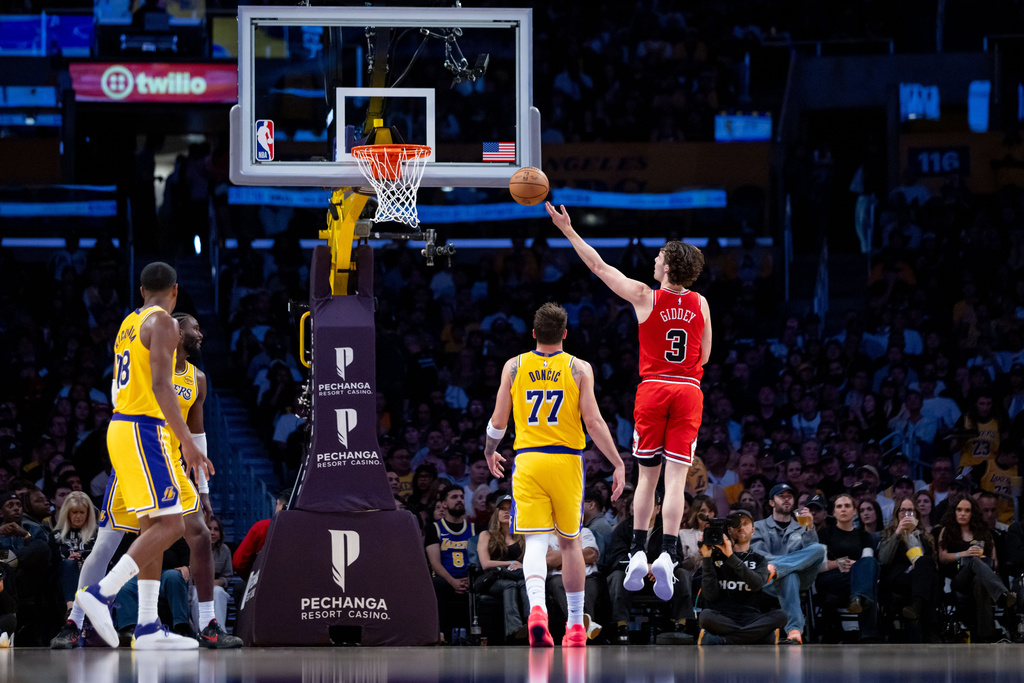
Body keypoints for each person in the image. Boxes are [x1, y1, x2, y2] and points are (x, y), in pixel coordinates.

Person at [546, 203, 710, 603]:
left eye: (658, 256)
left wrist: (569, 231)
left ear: (668, 265)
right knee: (675, 483)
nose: (654, 260)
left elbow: (600, 268)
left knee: (647, 479)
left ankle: (638, 549)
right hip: (688, 389)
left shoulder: (644, 296)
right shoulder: (700, 303)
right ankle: (668, 556)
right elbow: (704, 356)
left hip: (653, 388)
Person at [54, 311, 240, 649]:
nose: (201, 333)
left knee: (198, 532)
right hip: (137, 459)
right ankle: (75, 622)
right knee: (105, 546)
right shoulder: (149, 364)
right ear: (176, 330)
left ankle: (208, 623)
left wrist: (204, 490)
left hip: (170, 464)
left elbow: (198, 436)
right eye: (195, 327)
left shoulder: (197, 379)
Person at [73, 262, 215, 650]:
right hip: (144, 429)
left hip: (122, 427)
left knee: (153, 527)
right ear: (175, 291)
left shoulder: (128, 323)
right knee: (172, 526)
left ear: (141, 291)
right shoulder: (165, 323)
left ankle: (148, 625)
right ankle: (102, 593)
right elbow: (160, 386)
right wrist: (185, 440)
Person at [483, 302, 625, 647]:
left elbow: (498, 422)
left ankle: (537, 613)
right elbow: (593, 421)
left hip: (529, 460)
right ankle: (576, 626)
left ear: (533, 334)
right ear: (564, 333)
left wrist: (489, 451)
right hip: (566, 462)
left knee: (533, 541)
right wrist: (618, 462)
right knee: (570, 543)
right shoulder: (579, 368)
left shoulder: (514, 366)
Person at [605, 492, 694, 644]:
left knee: (683, 574)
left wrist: (659, 568)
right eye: (637, 504)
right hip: (631, 578)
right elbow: (616, 558)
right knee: (616, 576)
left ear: (658, 508)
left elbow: (677, 556)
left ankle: (682, 624)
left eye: (649, 505)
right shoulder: (623, 528)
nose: (642, 508)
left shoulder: (667, 528)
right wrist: (644, 568)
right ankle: (621, 625)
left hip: (660, 577)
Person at [696, 508, 787, 645]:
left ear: (753, 530)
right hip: (722, 617)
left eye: (745, 523)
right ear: (729, 530)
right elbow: (710, 595)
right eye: (736, 524)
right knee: (705, 617)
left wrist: (731, 557)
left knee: (782, 615)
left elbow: (756, 584)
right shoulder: (715, 557)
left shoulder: (759, 560)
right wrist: (707, 559)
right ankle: (758, 636)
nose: (741, 527)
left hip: (751, 617)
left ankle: (724, 640)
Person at [751, 483, 826, 644]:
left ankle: (777, 569)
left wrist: (810, 528)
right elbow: (759, 556)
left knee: (818, 548)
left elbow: (812, 556)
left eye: (790, 497)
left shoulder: (801, 527)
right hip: (767, 579)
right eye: (781, 496)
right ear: (771, 502)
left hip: (800, 579)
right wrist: (786, 568)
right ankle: (794, 631)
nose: (786, 500)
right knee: (788, 575)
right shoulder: (758, 527)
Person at [937, 494, 1016, 642]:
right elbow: (942, 556)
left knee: (980, 579)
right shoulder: (947, 531)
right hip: (959, 579)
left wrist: (984, 562)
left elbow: (996, 563)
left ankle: (986, 637)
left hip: (981, 579)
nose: (962, 513)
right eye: (959, 509)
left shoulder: (983, 532)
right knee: (973, 561)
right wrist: (964, 554)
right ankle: (1002, 594)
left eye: (967, 510)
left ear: (973, 513)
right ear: (954, 511)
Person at [814, 494, 881, 642]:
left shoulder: (864, 536)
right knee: (868, 580)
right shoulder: (824, 534)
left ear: (854, 511)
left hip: (855, 579)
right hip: (831, 579)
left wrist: (856, 567)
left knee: (871, 564)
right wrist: (840, 563)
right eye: (839, 506)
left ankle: (857, 598)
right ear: (833, 512)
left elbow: (867, 561)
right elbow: (820, 566)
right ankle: (869, 633)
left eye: (847, 506)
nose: (843, 509)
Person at [878, 496, 938, 641]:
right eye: (902, 510)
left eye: (910, 510)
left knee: (926, 564)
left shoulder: (925, 537)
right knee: (931, 582)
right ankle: (931, 632)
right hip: (898, 579)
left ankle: (915, 607)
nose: (906, 514)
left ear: (916, 514)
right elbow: (884, 560)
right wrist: (898, 533)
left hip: (919, 578)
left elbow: (932, 564)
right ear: (897, 514)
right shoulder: (888, 533)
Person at [424, 484, 475, 644]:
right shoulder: (434, 528)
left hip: (468, 578)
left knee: (481, 584)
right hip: (446, 579)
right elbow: (434, 563)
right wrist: (453, 582)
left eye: (461, 497)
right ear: (444, 503)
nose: (459, 500)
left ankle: (476, 635)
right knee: (437, 584)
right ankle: (439, 633)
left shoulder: (474, 529)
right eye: (454, 497)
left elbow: (479, 559)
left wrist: (468, 579)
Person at [475, 495, 528, 643]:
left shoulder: (522, 536)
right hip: (494, 578)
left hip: (518, 576)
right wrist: (511, 562)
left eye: (510, 509)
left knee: (525, 584)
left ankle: (534, 626)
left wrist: (521, 565)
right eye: (502, 509)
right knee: (509, 585)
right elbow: (485, 563)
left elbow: (529, 560)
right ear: (496, 513)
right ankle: (514, 630)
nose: (506, 512)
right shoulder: (486, 535)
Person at [52, 491, 97, 614]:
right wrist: (68, 560)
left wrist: (86, 560)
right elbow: (52, 565)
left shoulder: (98, 534)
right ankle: (71, 609)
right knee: (68, 565)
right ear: (67, 513)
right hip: (64, 580)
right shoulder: (56, 536)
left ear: (88, 514)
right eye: (74, 512)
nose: (78, 516)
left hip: (92, 577)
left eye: (82, 512)